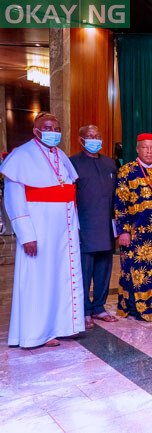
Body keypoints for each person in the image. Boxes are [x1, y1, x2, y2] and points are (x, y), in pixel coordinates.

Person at [1, 112, 84, 347]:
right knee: (39, 280)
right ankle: (38, 332)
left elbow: (68, 195)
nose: (53, 132)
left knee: (61, 278)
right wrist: (26, 235)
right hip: (39, 233)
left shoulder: (60, 155)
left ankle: (63, 326)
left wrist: (73, 228)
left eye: (56, 129)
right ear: (36, 131)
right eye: (47, 128)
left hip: (63, 233)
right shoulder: (21, 156)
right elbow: (14, 200)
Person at [115, 133, 152, 321]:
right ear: (138, 149)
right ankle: (135, 309)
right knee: (136, 271)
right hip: (136, 233)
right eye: (145, 147)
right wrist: (123, 231)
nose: (149, 151)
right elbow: (120, 203)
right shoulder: (127, 171)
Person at [70, 125, 118, 329]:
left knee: (104, 270)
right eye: (90, 136)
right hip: (84, 227)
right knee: (84, 271)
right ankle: (84, 310)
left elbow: (118, 196)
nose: (94, 139)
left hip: (106, 226)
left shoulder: (110, 163)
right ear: (81, 139)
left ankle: (99, 307)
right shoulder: (72, 163)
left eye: (97, 136)